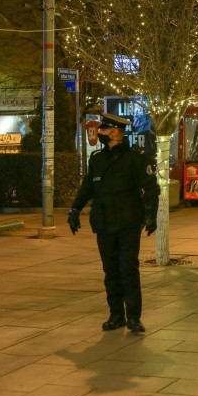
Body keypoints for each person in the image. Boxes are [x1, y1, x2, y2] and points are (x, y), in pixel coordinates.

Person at [68, 113, 160, 334]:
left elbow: (151, 188)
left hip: (128, 222)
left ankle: (134, 318)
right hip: (104, 223)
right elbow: (87, 187)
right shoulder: (98, 159)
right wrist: (75, 209)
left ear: (117, 132)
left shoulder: (136, 158)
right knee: (110, 271)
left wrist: (151, 215)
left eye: (104, 130)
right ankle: (116, 315)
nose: (100, 133)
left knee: (128, 270)